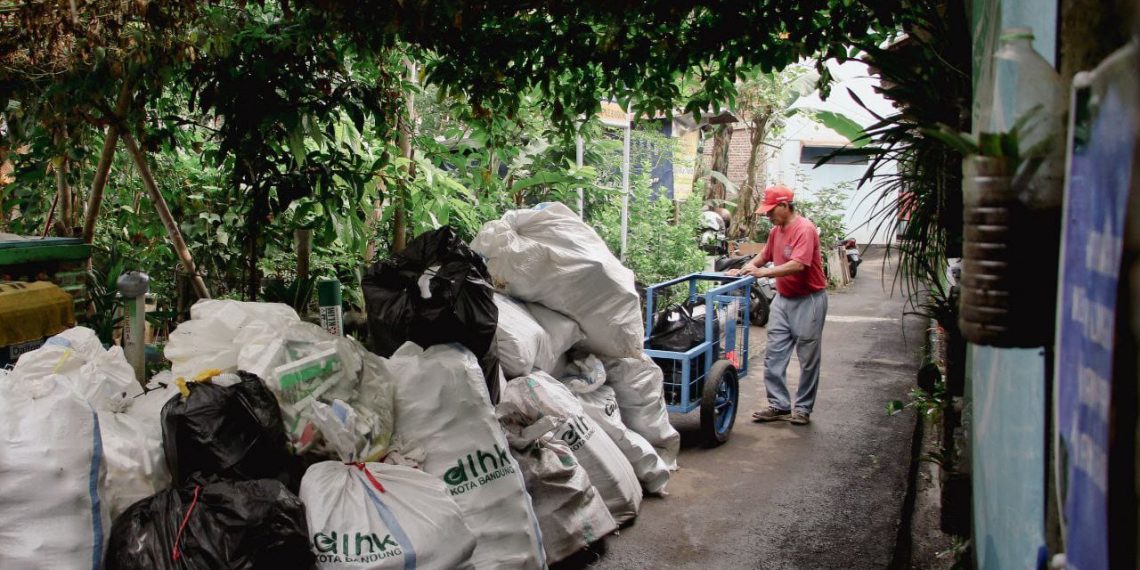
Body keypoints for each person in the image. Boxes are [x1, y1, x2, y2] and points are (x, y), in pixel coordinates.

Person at [726, 185, 828, 425]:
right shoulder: (776, 232)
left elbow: (798, 265)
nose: (768, 215)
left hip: (809, 299)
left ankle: (802, 408)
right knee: (774, 354)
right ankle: (779, 404)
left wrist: (763, 273)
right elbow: (765, 256)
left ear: (784, 205)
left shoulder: (805, 229)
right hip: (783, 299)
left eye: (772, 210)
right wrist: (745, 269)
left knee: (808, 357)